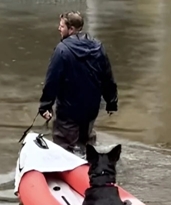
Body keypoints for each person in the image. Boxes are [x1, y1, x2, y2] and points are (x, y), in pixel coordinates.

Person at [38, 11, 118, 156]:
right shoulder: (98, 47)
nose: (58, 28)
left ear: (72, 29)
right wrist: (111, 102)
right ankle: (90, 169)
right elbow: (107, 77)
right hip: (91, 109)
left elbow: (52, 81)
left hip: (68, 111)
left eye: (62, 26)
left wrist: (45, 106)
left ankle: (68, 172)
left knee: (64, 148)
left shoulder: (62, 50)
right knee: (86, 145)